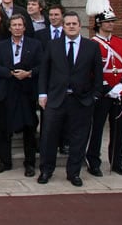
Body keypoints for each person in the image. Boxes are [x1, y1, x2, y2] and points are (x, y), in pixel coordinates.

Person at [37, 12, 103, 187]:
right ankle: (46, 170)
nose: (71, 26)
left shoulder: (91, 47)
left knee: (79, 138)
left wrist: (94, 96)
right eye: (68, 24)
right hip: (56, 99)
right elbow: (44, 71)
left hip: (81, 101)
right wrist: (42, 94)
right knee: (49, 136)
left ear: (80, 25)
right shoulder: (53, 45)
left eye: (74, 23)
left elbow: (98, 74)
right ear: (63, 26)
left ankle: (73, 173)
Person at [85, 0, 122, 177]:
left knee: (118, 130)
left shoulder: (120, 43)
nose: (111, 25)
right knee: (96, 129)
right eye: (107, 22)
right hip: (102, 93)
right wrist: (106, 87)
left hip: (120, 93)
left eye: (112, 22)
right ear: (99, 23)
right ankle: (93, 161)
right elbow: (89, 71)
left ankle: (117, 162)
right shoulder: (91, 44)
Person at [0, 15, 42, 177]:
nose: (17, 28)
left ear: (24, 27)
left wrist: (29, 73)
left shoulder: (35, 45)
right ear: (10, 28)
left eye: (20, 25)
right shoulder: (1, 46)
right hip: (8, 90)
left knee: (29, 128)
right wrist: (10, 73)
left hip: (27, 92)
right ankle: (5, 162)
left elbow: (42, 66)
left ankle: (30, 164)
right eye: (14, 25)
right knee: (4, 129)